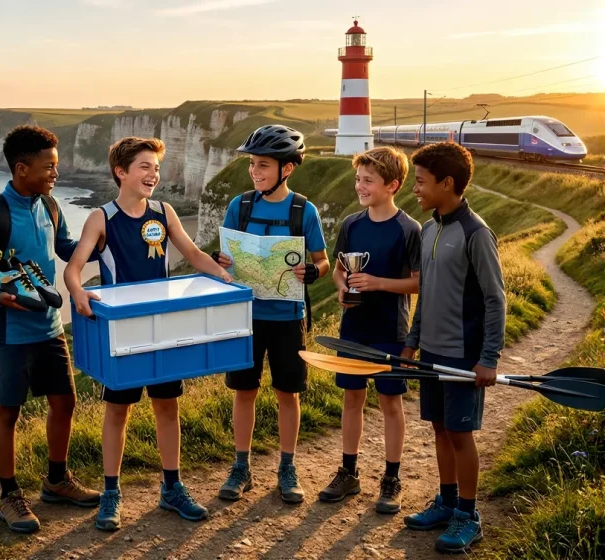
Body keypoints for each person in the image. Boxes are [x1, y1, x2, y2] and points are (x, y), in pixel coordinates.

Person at [65, 136, 232, 531]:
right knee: (117, 411)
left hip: (163, 326)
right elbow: (73, 268)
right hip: (123, 330)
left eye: (156, 168)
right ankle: (111, 493)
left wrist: (224, 276)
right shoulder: (100, 218)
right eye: (144, 166)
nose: (153, 174)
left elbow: (192, 254)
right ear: (121, 172)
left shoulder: (164, 211)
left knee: (167, 407)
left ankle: (171, 488)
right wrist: (77, 292)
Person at [0, 125, 100, 534]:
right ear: (22, 168)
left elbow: (67, 247)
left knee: (65, 402)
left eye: (56, 165)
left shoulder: (50, 205)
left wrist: (103, 246)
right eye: (49, 166)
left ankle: (56, 481)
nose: (56, 172)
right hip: (9, 333)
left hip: (49, 326)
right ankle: (9, 497)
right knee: (8, 411)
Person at [212, 125, 329, 504]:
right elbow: (224, 256)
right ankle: (241, 465)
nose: (254, 172)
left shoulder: (303, 210)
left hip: (287, 316)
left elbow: (322, 261)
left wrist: (313, 272)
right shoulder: (240, 206)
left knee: (287, 393)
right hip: (246, 315)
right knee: (243, 391)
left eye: (263, 165)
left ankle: (287, 466)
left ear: (287, 168)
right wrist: (222, 261)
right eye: (252, 165)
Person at [401, 142, 505, 554]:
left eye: (422, 182)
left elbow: (496, 299)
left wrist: (489, 358)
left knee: (461, 434)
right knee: (440, 429)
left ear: (448, 183)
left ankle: (468, 514)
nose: (416, 189)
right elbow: (426, 294)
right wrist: (412, 343)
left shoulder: (476, 233)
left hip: (464, 355)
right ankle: (445, 502)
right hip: (431, 352)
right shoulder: (429, 229)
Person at [318, 146, 420, 514]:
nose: (359, 186)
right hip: (354, 327)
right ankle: (348, 472)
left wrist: (377, 283)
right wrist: (342, 288)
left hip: (390, 330)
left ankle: (391, 478)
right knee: (352, 399)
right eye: (358, 179)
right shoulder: (351, 224)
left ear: (392, 185)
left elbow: (417, 283)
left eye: (368, 181)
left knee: (390, 403)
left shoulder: (409, 229)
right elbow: (339, 269)